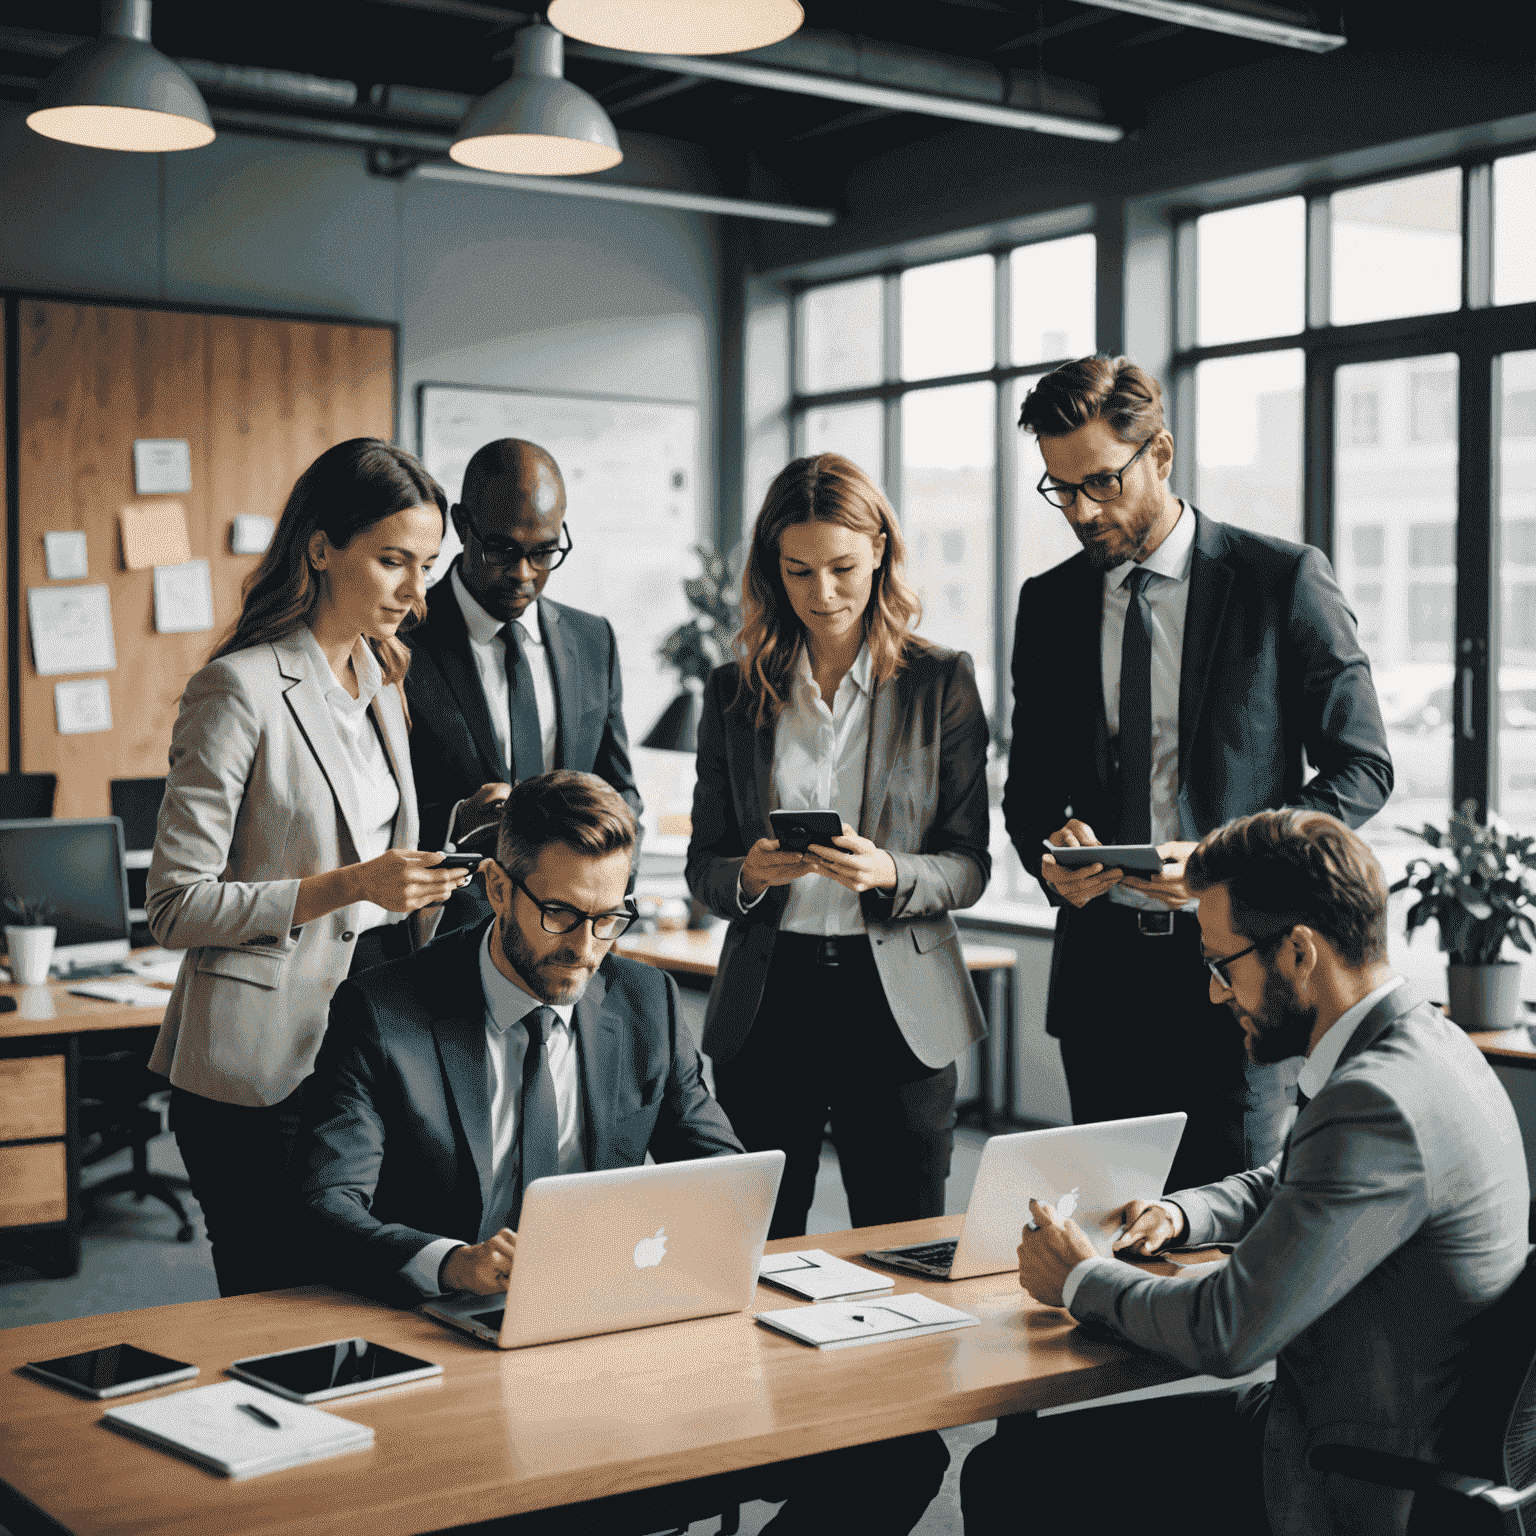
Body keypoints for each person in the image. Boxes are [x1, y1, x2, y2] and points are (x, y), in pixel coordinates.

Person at [296, 769, 951, 1536]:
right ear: (498, 891)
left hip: (626, 1336)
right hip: (462, 1349)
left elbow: (721, 1170)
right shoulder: (384, 1009)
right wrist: (452, 1262)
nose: (584, 948)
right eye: (560, 914)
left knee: (901, 1453)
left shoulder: (645, 1000)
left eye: (611, 919)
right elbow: (323, 1204)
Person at [961, 808, 1529, 1536]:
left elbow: (1229, 1330)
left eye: (1222, 965)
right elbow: (1293, 1178)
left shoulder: (1374, 1100)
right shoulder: (1427, 1044)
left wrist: (1078, 1277)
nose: (1215, 994)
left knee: (1011, 1475)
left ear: (1299, 952)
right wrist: (1184, 1213)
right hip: (1383, 1428)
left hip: (1350, 1475)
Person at [1002, 355, 1393, 1190]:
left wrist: (1235, 860)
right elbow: (1028, 789)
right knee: (1109, 1233)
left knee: (1231, 1231)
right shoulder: (1049, 604)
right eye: (1059, 488)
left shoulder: (1280, 581)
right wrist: (1053, 852)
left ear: (1162, 455)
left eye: (1100, 483)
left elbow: (1362, 767)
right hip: (1101, 984)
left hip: (1242, 977)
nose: (1080, 510)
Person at [146, 437, 471, 1297]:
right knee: (275, 1302)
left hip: (378, 1026)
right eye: (392, 560)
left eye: (428, 564)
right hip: (264, 1058)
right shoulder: (238, 689)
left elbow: (361, 843)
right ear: (320, 547)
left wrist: (455, 837)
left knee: (375, 1288)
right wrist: (351, 886)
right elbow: (175, 905)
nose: (415, 589)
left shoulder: (382, 677)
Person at [686, 452, 992, 1240]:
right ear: (771, 570)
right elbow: (704, 865)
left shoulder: (943, 682)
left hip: (894, 1005)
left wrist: (891, 870)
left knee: (904, 1237)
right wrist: (747, 876)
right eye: (797, 571)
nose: (822, 594)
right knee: (758, 1241)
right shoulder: (732, 691)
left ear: (882, 550)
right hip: (770, 996)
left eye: (842, 567)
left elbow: (969, 863)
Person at [403, 437, 642, 870]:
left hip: (574, 920)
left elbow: (619, 791)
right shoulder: (401, 638)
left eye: (544, 552)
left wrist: (611, 888)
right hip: (447, 919)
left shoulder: (592, 640)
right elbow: (373, 810)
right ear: (460, 525)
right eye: (502, 549)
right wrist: (456, 822)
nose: (523, 573)